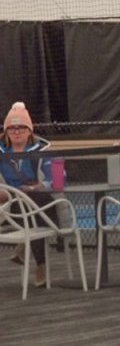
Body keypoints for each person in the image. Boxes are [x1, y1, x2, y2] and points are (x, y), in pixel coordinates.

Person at [2, 102, 53, 286]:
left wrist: (36, 187)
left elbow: (58, 179)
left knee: (35, 202)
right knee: (30, 207)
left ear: (29, 130)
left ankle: (27, 249)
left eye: (22, 127)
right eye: (12, 128)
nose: (17, 132)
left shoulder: (45, 151)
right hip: (9, 207)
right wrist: (6, 193)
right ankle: (40, 264)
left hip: (42, 203)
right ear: (6, 131)